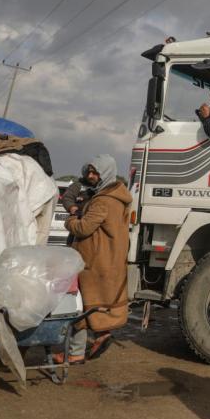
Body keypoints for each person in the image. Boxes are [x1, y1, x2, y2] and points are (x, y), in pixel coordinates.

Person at [60, 154, 132, 363]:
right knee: (93, 304)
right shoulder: (119, 197)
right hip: (107, 258)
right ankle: (96, 338)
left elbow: (84, 228)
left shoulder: (102, 201)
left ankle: (75, 353)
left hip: (93, 260)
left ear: (105, 173)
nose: (91, 175)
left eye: (95, 172)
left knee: (79, 305)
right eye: (89, 171)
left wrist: (71, 220)